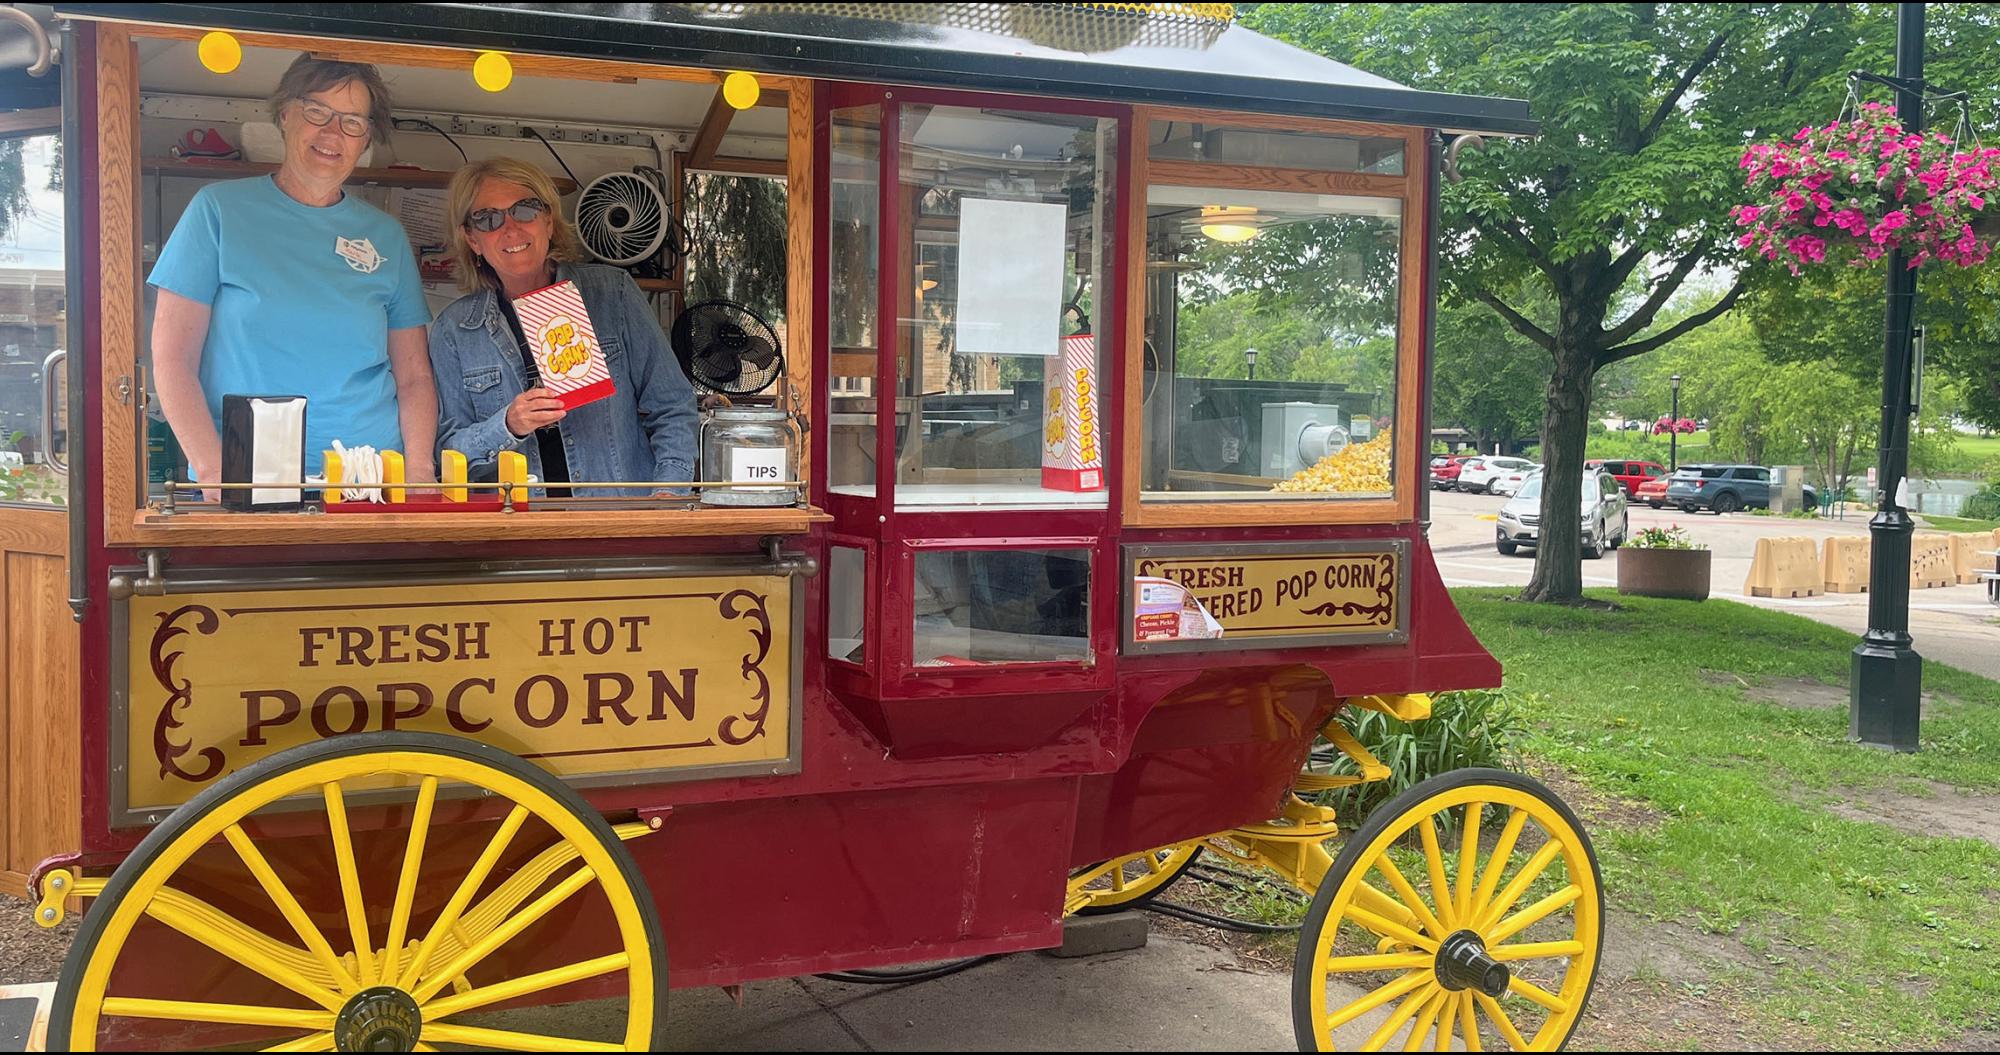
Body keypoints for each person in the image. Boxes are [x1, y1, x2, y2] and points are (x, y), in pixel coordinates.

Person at [149, 53, 437, 495]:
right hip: (248, 478)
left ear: (365, 141)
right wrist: (212, 469)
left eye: (353, 121)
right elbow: (172, 358)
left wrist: (418, 468)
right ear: (285, 115)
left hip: (370, 479)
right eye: (317, 111)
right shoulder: (218, 210)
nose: (332, 133)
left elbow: (414, 375)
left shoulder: (387, 235)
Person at [429, 157, 695, 497]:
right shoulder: (455, 330)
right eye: (488, 219)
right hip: (517, 532)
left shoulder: (612, 294)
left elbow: (672, 403)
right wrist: (508, 424)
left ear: (549, 221)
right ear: (472, 239)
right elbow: (449, 455)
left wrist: (668, 493)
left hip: (617, 521)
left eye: (524, 209)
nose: (510, 228)